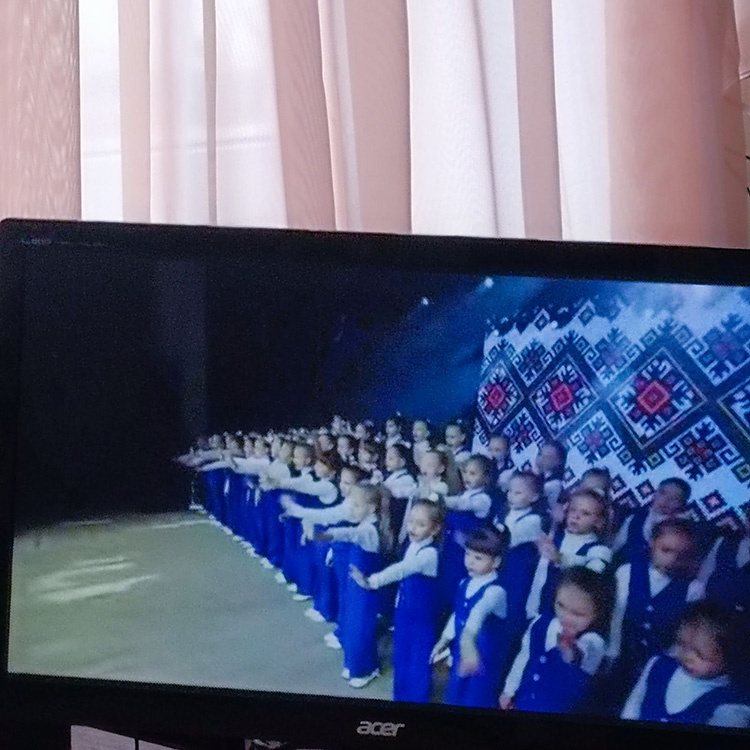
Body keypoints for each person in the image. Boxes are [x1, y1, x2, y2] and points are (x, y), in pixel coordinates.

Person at [351, 499, 444, 703]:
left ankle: (417, 699)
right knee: (401, 652)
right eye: (410, 521)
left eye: (421, 524)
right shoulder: (414, 544)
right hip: (405, 609)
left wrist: (372, 581)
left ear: (435, 529)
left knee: (417, 657)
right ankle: (401, 694)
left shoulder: (429, 554)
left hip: (421, 615)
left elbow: (402, 569)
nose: (413, 528)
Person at [500, 567, 614, 715]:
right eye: (560, 605)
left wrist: (568, 647)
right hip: (523, 702)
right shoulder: (539, 623)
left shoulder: (594, 641)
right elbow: (524, 658)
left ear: (596, 615)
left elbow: (579, 655)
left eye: (578, 614)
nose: (566, 616)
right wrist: (509, 690)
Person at [621, 602, 750, 728]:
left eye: (699, 654)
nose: (687, 657)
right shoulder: (658, 666)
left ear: (727, 658)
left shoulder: (731, 704)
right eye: (681, 644)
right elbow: (632, 706)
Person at [608, 518, 702, 685]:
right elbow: (615, 617)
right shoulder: (626, 572)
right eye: (666, 550)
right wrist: (612, 652)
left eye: (680, 555)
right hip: (619, 658)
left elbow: (684, 634)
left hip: (656, 664)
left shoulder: (693, 589)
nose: (672, 559)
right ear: (652, 543)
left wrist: (665, 663)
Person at [317, 483, 389, 688]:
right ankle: (353, 662)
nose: (351, 510)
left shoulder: (369, 529)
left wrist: (320, 535)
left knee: (361, 625)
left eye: (356, 505)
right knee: (351, 620)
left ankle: (366, 667)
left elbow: (347, 533)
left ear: (371, 508)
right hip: (355, 584)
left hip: (364, 588)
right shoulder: (365, 525)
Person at [431, 526, 511, 709]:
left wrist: (467, 640)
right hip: (462, 652)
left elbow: (478, 613)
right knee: (455, 693)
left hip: (483, 659)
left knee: (476, 699)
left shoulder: (496, 592)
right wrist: (444, 639)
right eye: (467, 554)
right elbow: (457, 614)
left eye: (478, 558)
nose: (470, 562)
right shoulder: (464, 583)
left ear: (496, 562)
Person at [526, 487, 611, 619]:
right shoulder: (553, 537)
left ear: (599, 522)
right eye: (573, 510)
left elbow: (591, 576)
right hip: (532, 605)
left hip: (563, 614)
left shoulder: (598, 549)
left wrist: (559, 558)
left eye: (585, 513)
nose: (576, 516)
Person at [440, 455, 496, 611]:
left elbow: (461, 504)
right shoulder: (465, 494)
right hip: (451, 548)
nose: (466, 477)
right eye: (465, 472)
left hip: (466, 550)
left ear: (486, 478)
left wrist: (441, 499)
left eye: (472, 473)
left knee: (457, 582)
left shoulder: (483, 499)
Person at [494, 471, 544, 641]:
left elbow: (510, 539)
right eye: (509, 491)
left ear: (534, 497)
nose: (511, 496)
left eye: (518, 493)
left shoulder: (533, 520)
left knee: (513, 604)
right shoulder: (504, 512)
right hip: (500, 564)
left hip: (518, 569)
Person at [611, 478, 691, 565]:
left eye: (674, 498)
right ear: (655, 493)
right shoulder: (637, 516)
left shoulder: (679, 530)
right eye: (663, 493)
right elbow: (617, 544)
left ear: (682, 505)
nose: (666, 500)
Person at [382, 444, 419, 546]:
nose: (387, 461)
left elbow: (395, 492)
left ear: (402, 462)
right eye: (386, 458)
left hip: (398, 514)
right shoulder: (391, 476)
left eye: (391, 458)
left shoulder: (407, 479)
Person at [533, 440, 567, 522]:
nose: (541, 459)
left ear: (559, 462)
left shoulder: (554, 484)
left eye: (547, 457)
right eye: (540, 454)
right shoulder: (538, 475)